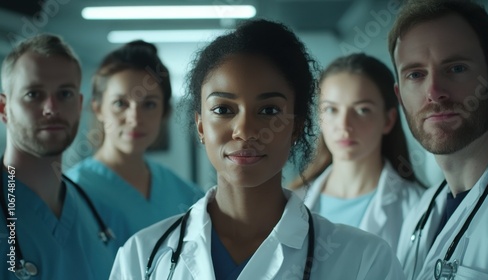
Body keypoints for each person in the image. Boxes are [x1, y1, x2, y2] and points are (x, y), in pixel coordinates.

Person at [109, 19, 404, 280]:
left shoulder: (363, 261)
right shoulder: (142, 257)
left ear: (296, 125)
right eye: (223, 109)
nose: (245, 130)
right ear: (200, 125)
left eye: (269, 110)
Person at [388, 0, 488, 279]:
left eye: (456, 68)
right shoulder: (421, 213)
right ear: (400, 96)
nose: (434, 91)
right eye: (415, 74)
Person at [65, 40, 204, 253]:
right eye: (120, 103)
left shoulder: (185, 194)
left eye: (149, 104)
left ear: (164, 113)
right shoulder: (73, 192)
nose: (135, 118)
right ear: (98, 108)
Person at [0, 34, 115, 279]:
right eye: (34, 94)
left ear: (79, 104)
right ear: (4, 108)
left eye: (65, 94)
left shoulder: (91, 212)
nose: (51, 107)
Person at [289, 53, 425, 253]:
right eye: (331, 110)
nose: (344, 125)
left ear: (388, 120)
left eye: (362, 110)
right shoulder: (291, 201)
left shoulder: (418, 207)